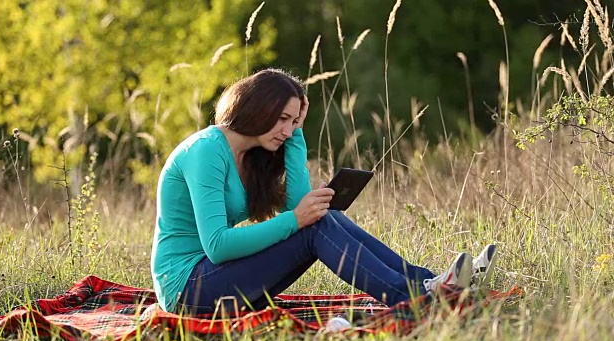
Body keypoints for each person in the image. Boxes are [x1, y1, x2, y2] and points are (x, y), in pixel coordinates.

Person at [150, 68, 498, 315]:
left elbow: (299, 205)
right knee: (312, 223)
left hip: (218, 283)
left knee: (321, 215)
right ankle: (416, 298)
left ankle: (432, 283)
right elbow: (219, 246)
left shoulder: (253, 155)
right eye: (283, 119)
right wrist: (296, 220)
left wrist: (296, 137)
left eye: (294, 122)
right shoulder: (206, 151)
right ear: (259, 108)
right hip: (188, 290)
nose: (287, 130)